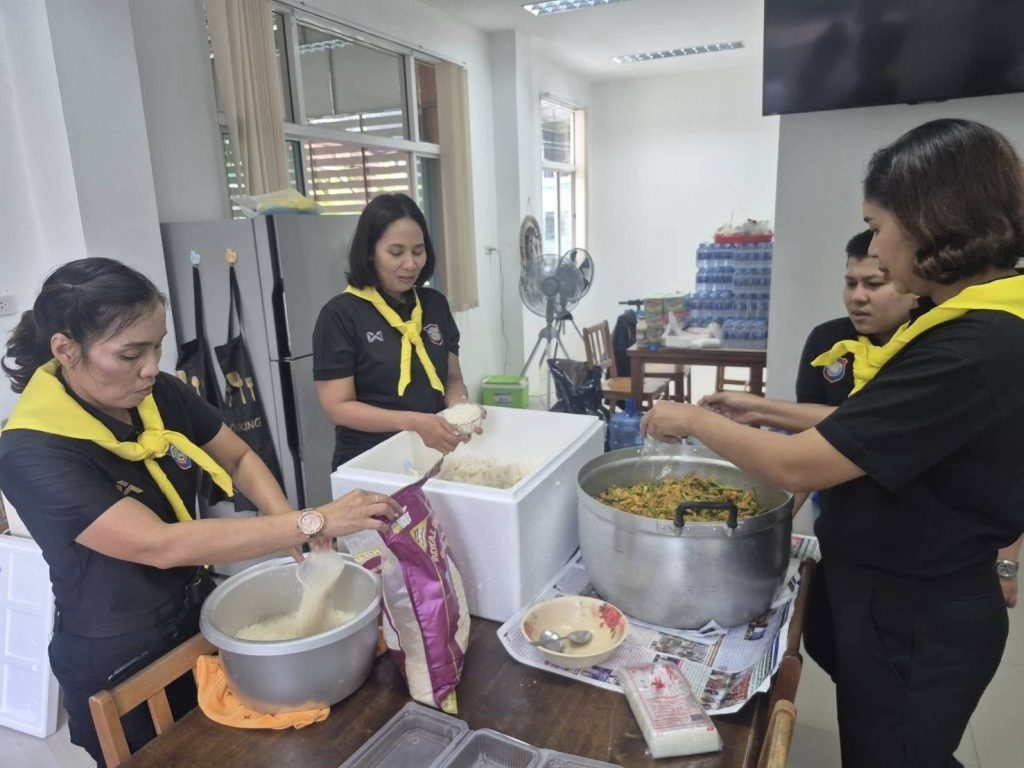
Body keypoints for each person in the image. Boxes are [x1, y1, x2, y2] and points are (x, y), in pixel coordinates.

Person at [642, 119, 1024, 767]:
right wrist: (758, 406)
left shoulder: (976, 345)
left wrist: (693, 419)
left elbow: (799, 465)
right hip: (894, 594)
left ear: (929, 221)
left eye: (878, 224)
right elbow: (869, 427)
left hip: (916, 614)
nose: (875, 247)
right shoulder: (966, 326)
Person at [0, 258, 402, 767]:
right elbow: (160, 544)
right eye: (131, 354)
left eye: (158, 346)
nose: (151, 366)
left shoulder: (158, 395)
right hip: (120, 657)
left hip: (196, 618)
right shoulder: (32, 451)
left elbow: (238, 457)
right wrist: (314, 519)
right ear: (66, 350)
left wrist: (289, 527)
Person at [314, 193, 480, 469]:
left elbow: (452, 378)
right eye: (396, 252)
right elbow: (338, 407)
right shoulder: (341, 314)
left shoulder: (434, 304)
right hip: (369, 459)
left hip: (431, 451)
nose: (411, 264)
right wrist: (413, 421)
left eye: (418, 251)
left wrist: (459, 409)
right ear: (370, 252)